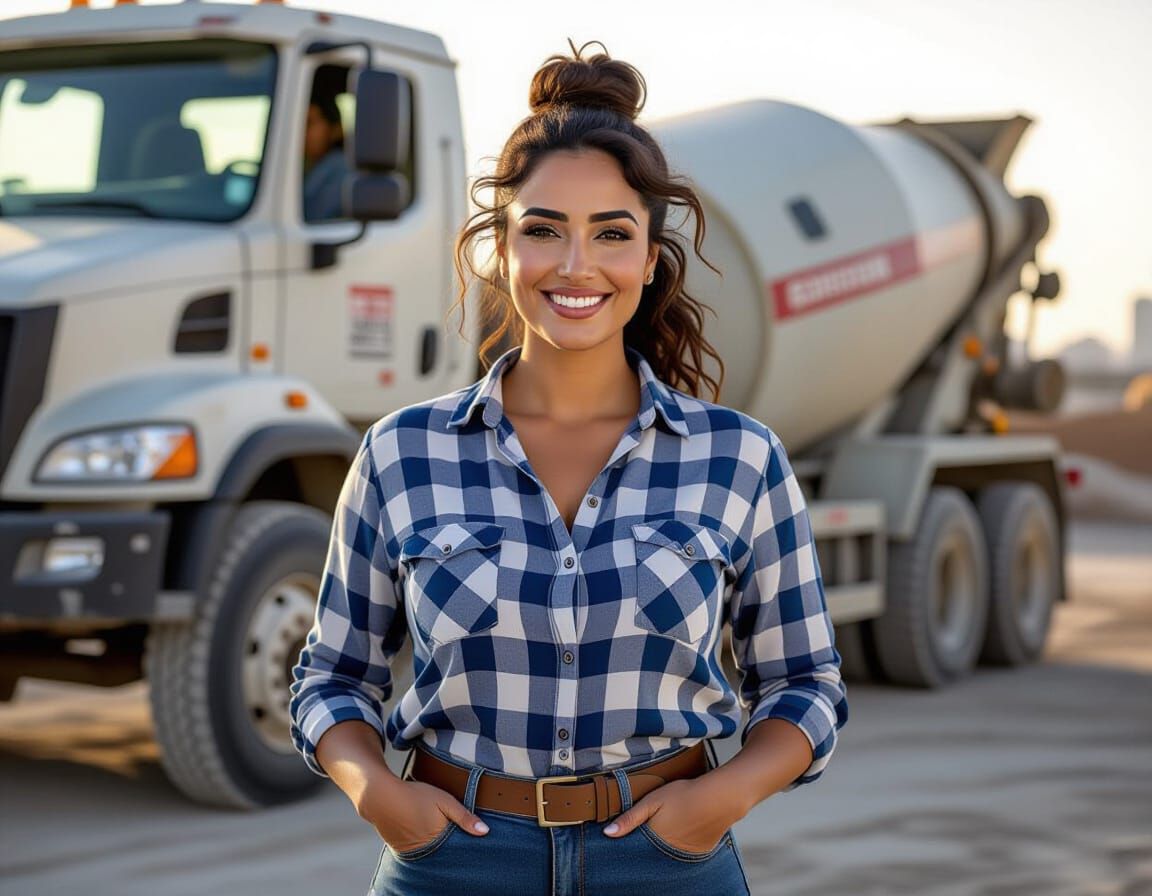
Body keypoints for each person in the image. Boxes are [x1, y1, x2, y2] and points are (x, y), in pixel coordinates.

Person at [289, 40, 848, 896]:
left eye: (611, 234)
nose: (576, 265)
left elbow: (804, 684)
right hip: (453, 861)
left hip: (668, 864)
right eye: (543, 230)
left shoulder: (739, 458)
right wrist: (377, 795)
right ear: (500, 247)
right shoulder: (403, 452)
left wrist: (719, 802)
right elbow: (332, 676)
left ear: (650, 258)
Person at [301, 91, 348, 222]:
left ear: (335, 129)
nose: (302, 131)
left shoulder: (339, 169)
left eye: (309, 123)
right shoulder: (312, 167)